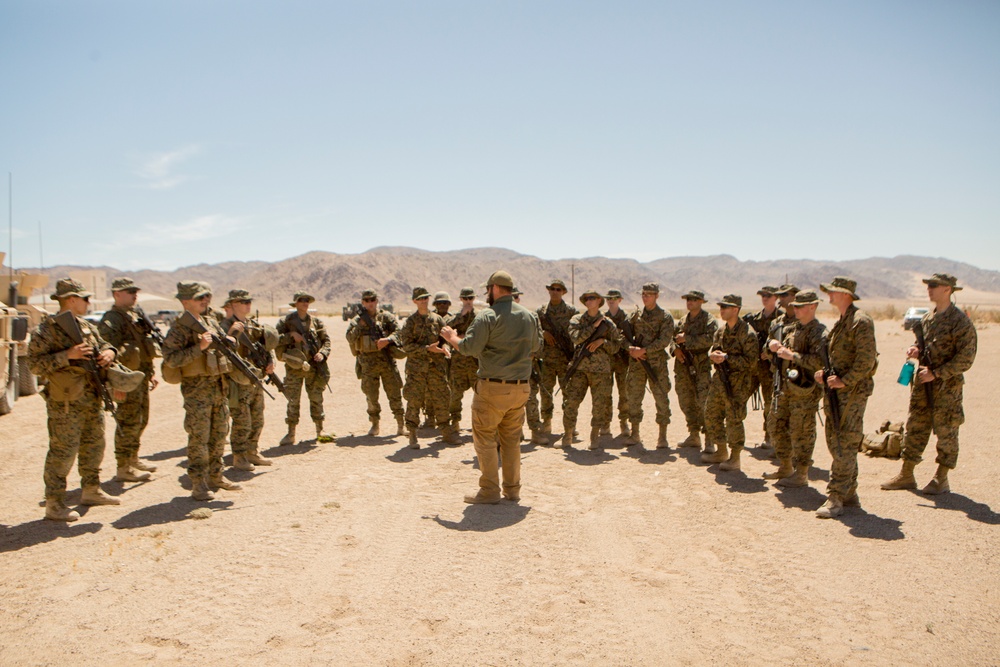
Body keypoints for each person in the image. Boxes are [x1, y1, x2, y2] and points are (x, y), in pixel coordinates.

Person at [440, 270, 541, 504]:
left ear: (495, 288)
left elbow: (468, 348)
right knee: (511, 440)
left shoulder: (488, 316)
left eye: (488, 290)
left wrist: (451, 337)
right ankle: (513, 490)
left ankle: (489, 490)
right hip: (520, 389)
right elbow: (535, 346)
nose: (486, 295)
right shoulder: (529, 316)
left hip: (492, 389)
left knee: (484, 438)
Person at [28, 278, 122, 520]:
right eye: (85, 298)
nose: (89, 303)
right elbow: (34, 365)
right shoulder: (46, 330)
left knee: (94, 444)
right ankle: (55, 503)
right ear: (71, 299)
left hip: (91, 396)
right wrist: (66, 355)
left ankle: (91, 490)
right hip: (66, 401)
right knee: (63, 451)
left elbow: (105, 344)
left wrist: (110, 352)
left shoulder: (86, 326)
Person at [882, 273, 977, 495]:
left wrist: (937, 373)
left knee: (946, 431)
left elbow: (966, 358)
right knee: (915, 427)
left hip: (946, 388)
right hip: (923, 386)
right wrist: (916, 350)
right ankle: (907, 474)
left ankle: (941, 478)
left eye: (934, 285)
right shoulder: (927, 319)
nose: (929, 289)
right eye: (928, 285)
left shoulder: (960, 321)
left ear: (948, 290)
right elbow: (924, 344)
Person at [162, 281, 242, 500]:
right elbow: (170, 359)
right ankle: (198, 483)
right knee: (199, 437)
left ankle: (216, 475)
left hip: (218, 387)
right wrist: (199, 348)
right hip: (197, 391)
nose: (205, 301)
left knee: (219, 434)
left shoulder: (209, 321)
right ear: (185, 301)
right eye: (200, 298)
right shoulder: (180, 328)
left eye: (207, 297)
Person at [813, 277, 877, 518]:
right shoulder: (842, 322)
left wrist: (845, 380)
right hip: (835, 392)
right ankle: (849, 492)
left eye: (834, 291)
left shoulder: (860, 321)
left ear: (846, 294)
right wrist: (826, 374)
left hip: (851, 394)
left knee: (844, 443)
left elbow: (866, 360)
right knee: (836, 441)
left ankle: (836, 497)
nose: (829, 294)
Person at [98, 277, 160, 483]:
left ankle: (133, 458)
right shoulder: (112, 320)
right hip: (126, 379)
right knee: (128, 421)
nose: (135, 295)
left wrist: (150, 372)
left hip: (140, 376)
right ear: (116, 294)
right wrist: (115, 383)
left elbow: (143, 347)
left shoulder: (135, 315)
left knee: (141, 419)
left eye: (135, 291)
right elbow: (107, 352)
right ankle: (123, 467)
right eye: (129, 291)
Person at [763, 290, 827, 487]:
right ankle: (785, 466)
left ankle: (801, 473)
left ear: (812, 307)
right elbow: (769, 347)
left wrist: (793, 356)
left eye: (800, 306)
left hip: (804, 391)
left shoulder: (820, 333)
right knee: (776, 425)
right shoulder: (789, 328)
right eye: (795, 306)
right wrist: (771, 344)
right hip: (784, 388)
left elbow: (821, 362)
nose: (795, 309)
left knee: (802, 431)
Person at [220, 289, 276, 471]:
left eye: (248, 301)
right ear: (233, 304)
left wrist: (270, 361)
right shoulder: (225, 326)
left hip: (255, 378)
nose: (247, 304)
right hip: (237, 381)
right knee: (242, 420)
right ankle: (239, 456)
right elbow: (223, 352)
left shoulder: (253, 325)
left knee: (257, 417)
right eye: (243, 302)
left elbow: (265, 347)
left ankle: (252, 451)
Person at [701, 295, 757, 470]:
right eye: (721, 307)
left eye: (726, 307)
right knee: (711, 414)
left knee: (734, 419)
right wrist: (713, 357)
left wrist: (727, 358)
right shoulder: (720, 332)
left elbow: (751, 361)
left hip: (738, 383)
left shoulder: (748, 333)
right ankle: (721, 450)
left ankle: (735, 457)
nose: (722, 310)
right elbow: (714, 352)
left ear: (736, 309)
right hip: (719, 381)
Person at [560, 289, 622, 449]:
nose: (588, 301)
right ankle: (567, 435)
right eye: (586, 298)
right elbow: (576, 337)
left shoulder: (608, 323)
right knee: (571, 401)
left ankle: (595, 436)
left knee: (599, 404)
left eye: (592, 298)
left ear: (599, 301)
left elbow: (616, 346)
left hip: (601, 371)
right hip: (579, 369)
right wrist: (593, 327)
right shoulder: (577, 319)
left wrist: (603, 342)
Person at [345, 288, 405, 437]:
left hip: (387, 362)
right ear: (363, 302)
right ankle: (375, 424)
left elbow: (399, 332)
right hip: (367, 364)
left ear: (377, 301)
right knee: (371, 396)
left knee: (395, 394)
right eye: (367, 300)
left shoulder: (386, 317)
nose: (370, 303)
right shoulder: (357, 320)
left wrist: (388, 340)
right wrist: (360, 325)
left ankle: (400, 424)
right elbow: (350, 338)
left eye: (373, 300)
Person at [399, 286, 453, 448]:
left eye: (426, 298)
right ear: (415, 301)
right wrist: (426, 349)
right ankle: (413, 434)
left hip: (436, 368)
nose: (424, 301)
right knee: (414, 400)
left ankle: (446, 432)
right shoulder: (410, 322)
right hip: (417, 369)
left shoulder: (437, 319)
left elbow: (446, 339)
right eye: (420, 298)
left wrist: (445, 349)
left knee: (442, 398)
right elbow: (406, 346)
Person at [276, 292, 333, 445]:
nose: (304, 303)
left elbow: (326, 341)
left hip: (314, 367)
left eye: (307, 300)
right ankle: (291, 433)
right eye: (301, 300)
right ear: (295, 303)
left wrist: (322, 353)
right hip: (294, 367)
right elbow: (275, 340)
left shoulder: (316, 322)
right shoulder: (286, 322)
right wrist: (291, 336)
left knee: (316, 398)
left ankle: (320, 430)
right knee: (293, 400)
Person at [623, 283, 675, 448]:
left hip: (656, 364)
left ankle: (662, 436)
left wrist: (644, 350)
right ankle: (635, 433)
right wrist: (630, 349)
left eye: (649, 294)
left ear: (657, 296)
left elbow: (664, 340)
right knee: (634, 397)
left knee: (661, 398)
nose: (646, 297)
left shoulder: (665, 316)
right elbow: (621, 336)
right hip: (637, 364)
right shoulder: (634, 316)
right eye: (644, 294)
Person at [672, 289, 718, 451]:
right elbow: (673, 339)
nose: (689, 302)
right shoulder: (682, 321)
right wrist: (675, 350)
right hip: (683, 366)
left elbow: (710, 339)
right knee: (686, 400)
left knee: (704, 402)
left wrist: (687, 340)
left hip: (700, 367)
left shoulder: (708, 320)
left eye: (693, 299)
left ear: (700, 302)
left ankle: (709, 439)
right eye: (688, 299)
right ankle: (693, 434)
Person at [535, 280, 578, 436]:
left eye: (558, 289)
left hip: (565, 360)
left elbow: (578, 333)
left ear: (563, 292)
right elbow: (534, 330)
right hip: (546, 360)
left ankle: (570, 425)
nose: (555, 291)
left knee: (569, 394)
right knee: (546, 392)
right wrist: (543, 333)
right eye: (552, 289)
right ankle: (546, 423)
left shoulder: (571, 311)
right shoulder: (541, 312)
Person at [742, 286, 782, 449]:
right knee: (740, 397)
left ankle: (769, 436)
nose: (765, 298)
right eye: (763, 296)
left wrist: (770, 354)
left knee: (769, 404)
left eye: (768, 296)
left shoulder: (781, 319)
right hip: (753, 368)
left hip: (770, 370)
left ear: (775, 298)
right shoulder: (753, 319)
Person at [447, 287, 479, 433]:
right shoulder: (454, 316)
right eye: (465, 299)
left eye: (470, 299)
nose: (468, 302)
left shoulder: (480, 316)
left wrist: (462, 338)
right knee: (455, 394)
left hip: (475, 361)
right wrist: (461, 315)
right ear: (460, 299)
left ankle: (479, 424)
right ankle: (455, 422)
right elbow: (445, 329)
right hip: (458, 362)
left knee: (480, 395)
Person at [603, 289, 631, 437]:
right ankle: (605, 424)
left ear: (620, 300)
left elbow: (630, 339)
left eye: (614, 298)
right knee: (606, 393)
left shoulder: (627, 318)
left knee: (624, 393)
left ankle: (623, 423)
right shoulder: (603, 318)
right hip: (607, 361)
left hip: (622, 361)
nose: (611, 300)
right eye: (609, 298)